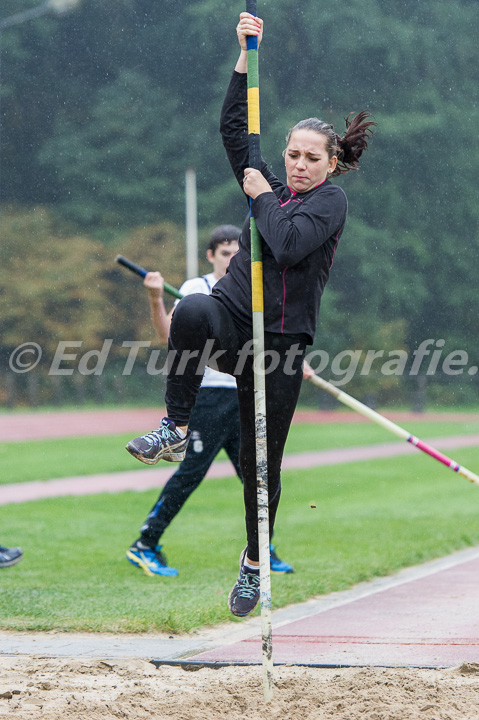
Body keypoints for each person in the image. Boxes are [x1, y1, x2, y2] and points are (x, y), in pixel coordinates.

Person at [126, 13, 375, 617]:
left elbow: (287, 244)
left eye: (311, 157)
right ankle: (175, 425)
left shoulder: (329, 202)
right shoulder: (270, 180)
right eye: (291, 154)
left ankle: (254, 563)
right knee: (192, 311)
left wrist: (261, 191)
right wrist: (244, 56)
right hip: (235, 320)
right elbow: (234, 130)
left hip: (282, 341)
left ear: (332, 163)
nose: (298, 164)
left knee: (262, 468)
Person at [126, 225, 295, 577]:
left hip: (246, 394)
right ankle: (145, 543)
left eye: (238, 252)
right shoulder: (195, 289)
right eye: (224, 252)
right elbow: (166, 335)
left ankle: (263, 548)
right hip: (208, 397)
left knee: (257, 477)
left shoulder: (254, 289)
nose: (232, 258)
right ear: (211, 255)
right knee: (190, 473)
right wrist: (156, 298)